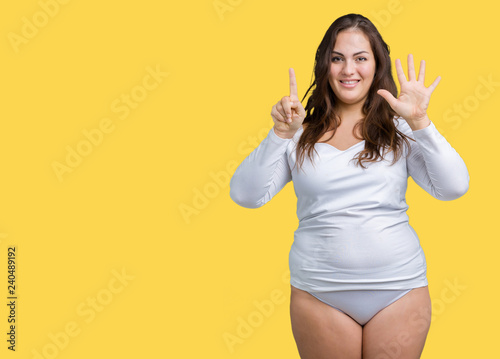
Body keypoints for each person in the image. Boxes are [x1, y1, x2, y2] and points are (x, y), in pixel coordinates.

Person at [229, 13, 469, 359]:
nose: (348, 70)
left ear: (376, 65)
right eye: (337, 58)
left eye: (360, 58)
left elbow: (454, 186)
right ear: (325, 64)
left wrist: (420, 121)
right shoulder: (299, 132)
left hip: (397, 290)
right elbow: (246, 195)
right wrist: (280, 133)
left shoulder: (399, 129)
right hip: (320, 293)